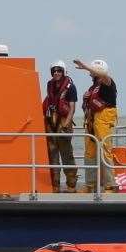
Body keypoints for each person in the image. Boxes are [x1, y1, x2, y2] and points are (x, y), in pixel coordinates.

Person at [73, 57, 118, 191]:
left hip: (103, 122)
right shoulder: (93, 88)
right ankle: (90, 184)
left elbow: (103, 75)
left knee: (105, 152)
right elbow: (87, 106)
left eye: (93, 70)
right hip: (92, 123)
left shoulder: (108, 83)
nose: (91, 73)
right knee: (89, 154)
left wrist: (85, 66)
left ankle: (109, 185)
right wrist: (85, 100)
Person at [40, 61, 78, 191]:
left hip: (63, 122)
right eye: (54, 71)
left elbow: (72, 108)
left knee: (67, 154)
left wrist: (66, 124)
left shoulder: (70, 87)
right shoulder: (50, 85)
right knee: (52, 154)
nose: (56, 73)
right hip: (51, 122)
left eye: (59, 70)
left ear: (63, 71)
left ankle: (71, 185)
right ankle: (55, 184)